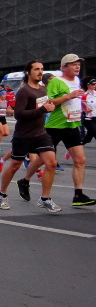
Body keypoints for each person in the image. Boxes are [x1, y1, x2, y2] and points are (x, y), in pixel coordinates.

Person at [0, 61, 60, 212]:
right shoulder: (24, 91)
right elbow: (18, 114)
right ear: (28, 72)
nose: (40, 72)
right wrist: (42, 110)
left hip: (41, 133)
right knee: (15, 165)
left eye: (41, 69)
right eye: (36, 69)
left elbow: (42, 107)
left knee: (51, 163)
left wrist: (50, 107)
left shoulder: (43, 89)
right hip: (24, 135)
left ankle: (45, 198)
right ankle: (1, 193)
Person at [45, 54, 96, 207]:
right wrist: (69, 96)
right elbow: (51, 102)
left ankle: (78, 195)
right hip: (55, 126)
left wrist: (83, 105)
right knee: (45, 161)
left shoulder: (77, 80)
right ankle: (25, 180)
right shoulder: (55, 81)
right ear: (64, 67)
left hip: (72, 125)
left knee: (80, 160)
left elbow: (75, 99)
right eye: (73, 64)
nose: (77, 66)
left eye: (78, 64)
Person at [81, 78, 96, 145]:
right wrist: (85, 109)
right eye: (93, 84)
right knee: (94, 131)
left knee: (90, 134)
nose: (95, 85)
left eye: (95, 84)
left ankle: (81, 143)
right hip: (88, 118)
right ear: (88, 85)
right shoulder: (84, 95)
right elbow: (80, 106)